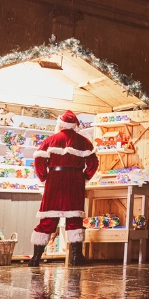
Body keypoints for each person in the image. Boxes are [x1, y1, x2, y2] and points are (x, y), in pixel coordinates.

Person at [29, 110, 98, 267]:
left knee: (47, 219)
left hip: (54, 180)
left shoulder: (50, 140)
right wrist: (85, 176)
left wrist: (44, 177)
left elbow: (39, 161)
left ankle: (35, 258)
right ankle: (76, 258)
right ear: (75, 125)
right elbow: (93, 163)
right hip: (75, 181)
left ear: (60, 123)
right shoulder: (84, 141)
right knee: (74, 219)